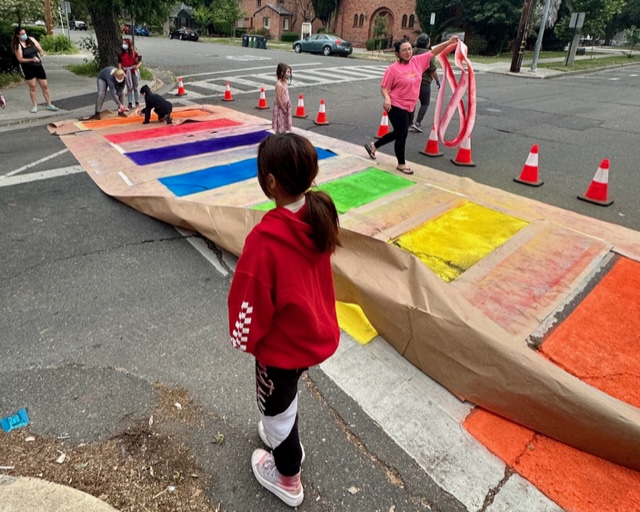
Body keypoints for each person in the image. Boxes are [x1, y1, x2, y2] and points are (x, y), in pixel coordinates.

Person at [227, 133, 341, 507]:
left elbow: (249, 301)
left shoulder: (265, 241)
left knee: (275, 411)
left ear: (271, 182)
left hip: (281, 348)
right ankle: (283, 435)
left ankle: (288, 476)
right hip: (312, 335)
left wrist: (243, 339)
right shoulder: (318, 214)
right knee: (285, 398)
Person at [364, 36, 458, 175]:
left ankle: (373, 146)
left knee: (398, 132)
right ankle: (401, 164)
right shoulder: (393, 69)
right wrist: (387, 99)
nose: (408, 52)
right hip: (396, 105)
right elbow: (384, 87)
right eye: (404, 50)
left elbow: (433, 52)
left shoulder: (417, 62)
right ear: (397, 53)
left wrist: (449, 42)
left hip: (410, 105)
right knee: (402, 134)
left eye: (409, 49)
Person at [11, 27, 58, 113]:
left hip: (38, 66)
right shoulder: (17, 45)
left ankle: (49, 104)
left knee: (45, 86)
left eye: (25, 33)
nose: (24, 35)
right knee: (32, 87)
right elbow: (20, 59)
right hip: (28, 68)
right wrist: (31, 59)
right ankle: (35, 106)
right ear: (18, 35)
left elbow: (40, 50)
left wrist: (41, 53)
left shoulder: (31, 40)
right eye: (22, 34)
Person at [409, 34, 441, 134]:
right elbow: (432, 69)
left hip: (412, 81)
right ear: (427, 43)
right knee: (425, 103)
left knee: (412, 103)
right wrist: (437, 80)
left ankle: (409, 123)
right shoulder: (429, 54)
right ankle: (418, 123)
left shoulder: (412, 51)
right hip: (424, 82)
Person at [118, 38, 142, 110]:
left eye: (125, 43)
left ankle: (137, 102)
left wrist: (137, 66)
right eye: (123, 43)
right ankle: (130, 103)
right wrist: (120, 71)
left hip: (133, 71)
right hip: (126, 72)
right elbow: (120, 63)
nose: (124, 45)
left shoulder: (134, 53)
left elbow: (140, 61)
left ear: (129, 44)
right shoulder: (121, 54)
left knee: (135, 87)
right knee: (129, 87)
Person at [272, 63, 292, 134]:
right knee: (280, 124)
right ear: (282, 72)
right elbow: (278, 98)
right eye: (288, 72)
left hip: (286, 106)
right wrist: (283, 108)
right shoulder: (279, 84)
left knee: (284, 124)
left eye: (290, 72)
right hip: (280, 108)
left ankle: (283, 134)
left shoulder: (285, 82)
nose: (289, 74)